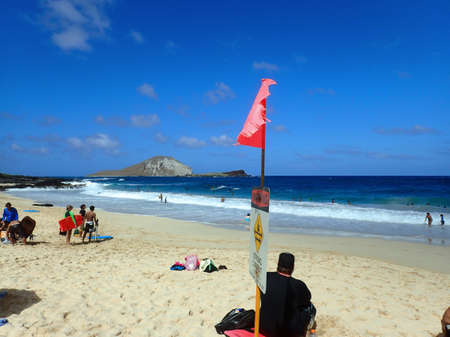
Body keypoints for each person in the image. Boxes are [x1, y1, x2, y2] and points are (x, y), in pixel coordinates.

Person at [260, 252, 316, 337]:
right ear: (293, 267)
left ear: (278, 264)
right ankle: (311, 332)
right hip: (286, 332)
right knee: (311, 308)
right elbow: (306, 301)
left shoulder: (265, 277)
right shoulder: (298, 285)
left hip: (263, 325)